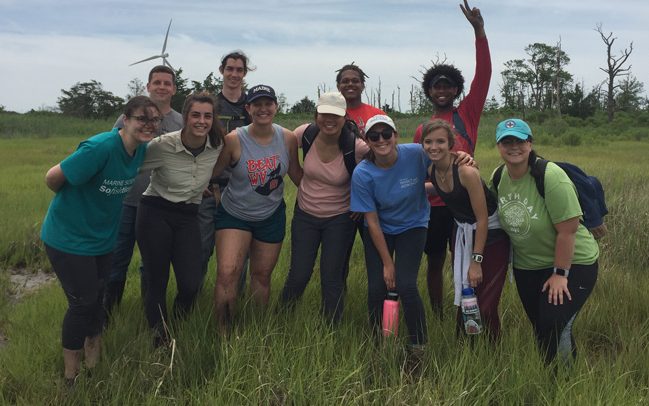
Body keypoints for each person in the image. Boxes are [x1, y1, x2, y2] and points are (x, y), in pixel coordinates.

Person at [41, 96, 159, 383]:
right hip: (68, 239)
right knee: (82, 303)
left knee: (98, 299)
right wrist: (73, 205)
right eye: (142, 118)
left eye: (154, 120)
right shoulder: (100, 147)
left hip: (103, 240)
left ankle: (94, 362)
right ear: (125, 119)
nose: (149, 125)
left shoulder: (141, 150)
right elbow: (52, 177)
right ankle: (72, 376)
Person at [491, 118, 599, 363]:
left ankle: (565, 380)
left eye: (519, 140)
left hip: (573, 263)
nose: (513, 147)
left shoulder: (550, 175)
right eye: (506, 142)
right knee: (541, 326)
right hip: (528, 266)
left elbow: (568, 230)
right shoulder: (499, 177)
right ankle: (550, 374)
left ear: (530, 143)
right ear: (499, 146)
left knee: (554, 322)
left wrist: (560, 274)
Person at [413, 0, 492, 318]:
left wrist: (479, 33)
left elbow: (483, 76)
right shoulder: (424, 129)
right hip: (434, 209)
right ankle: (438, 313)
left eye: (447, 86)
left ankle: (469, 312)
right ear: (429, 92)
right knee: (433, 262)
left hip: (466, 207)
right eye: (436, 86)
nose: (442, 90)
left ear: (457, 89)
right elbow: (420, 172)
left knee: (467, 259)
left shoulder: (467, 114)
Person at [211, 84, 302, 333]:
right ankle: (224, 330)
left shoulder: (287, 138)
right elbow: (213, 172)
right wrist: (207, 191)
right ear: (248, 108)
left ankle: (257, 330)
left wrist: (328, 197)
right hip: (235, 214)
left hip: (270, 215)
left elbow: (296, 174)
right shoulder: (234, 140)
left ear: (276, 106)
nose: (263, 109)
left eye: (268, 103)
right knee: (228, 272)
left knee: (261, 276)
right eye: (257, 104)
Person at [136, 92, 224, 346]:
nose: (202, 121)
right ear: (185, 117)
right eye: (196, 115)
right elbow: (130, 166)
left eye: (208, 116)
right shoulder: (162, 145)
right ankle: (159, 337)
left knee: (191, 281)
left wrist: (203, 186)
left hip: (188, 215)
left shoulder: (217, 144)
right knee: (157, 278)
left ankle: (178, 324)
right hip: (155, 212)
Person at [280, 92, 369, 323]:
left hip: (339, 219)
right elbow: (280, 149)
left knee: (332, 276)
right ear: (316, 115)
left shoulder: (356, 146)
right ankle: (281, 320)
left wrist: (362, 202)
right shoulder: (304, 134)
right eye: (324, 114)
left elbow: (382, 168)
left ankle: (331, 327)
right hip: (305, 216)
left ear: (344, 117)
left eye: (335, 115)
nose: (329, 120)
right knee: (299, 275)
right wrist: (301, 182)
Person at [103, 65, 183, 316]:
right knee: (117, 261)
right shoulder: (129, 116)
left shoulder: (180, 121)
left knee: (151, 265)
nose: (161, 87)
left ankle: (147, 314)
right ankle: (107, 315)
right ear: (147, 86)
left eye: (167, 83)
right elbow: (112, 151)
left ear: (174, 89)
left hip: (160, 204)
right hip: (127, 201)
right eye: (156, 82)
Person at [421, 119, 508, 340]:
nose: (434, 147)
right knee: (466, 293)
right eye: (428, 141)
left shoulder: (467, 172)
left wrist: (476, 261)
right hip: (462, 232)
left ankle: (493, 351)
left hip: (491, 236)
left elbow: (482, 219)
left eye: (440, 141)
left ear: (451, 143)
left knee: (486, 302)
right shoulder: (432, 170)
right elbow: (438, 188)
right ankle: (464, 345)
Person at [350, 114, 430, 354]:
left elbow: (444, 161)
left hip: (413, 225)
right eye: (374, 136)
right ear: (367, 139)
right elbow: (371, 221)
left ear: (396, 136)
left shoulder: (416, 153)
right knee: (377, 286)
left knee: (406, 285)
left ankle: (418, 343)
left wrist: (465, 161)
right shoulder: (363, 173)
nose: (381, 140)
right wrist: (387, 263)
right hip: (381, 229)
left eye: (387, 134)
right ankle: (380, 341)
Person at [198, 50, 254, 288]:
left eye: (239, 70)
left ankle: (233, 306)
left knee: (238, 258)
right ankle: (191, 301)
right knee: (200, 250)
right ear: (222, 71)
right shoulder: (209, 105)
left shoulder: (252, 107)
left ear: (244, 73)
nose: (234, 74)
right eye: (229, 69)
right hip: (209, 189)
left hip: (240, 191)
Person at [335, 63, 386, 136]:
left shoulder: (378, 115)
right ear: (338, 86)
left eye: (355, 81)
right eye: (345, 81)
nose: (350, 84)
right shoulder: (331, 115)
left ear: (362, 86)